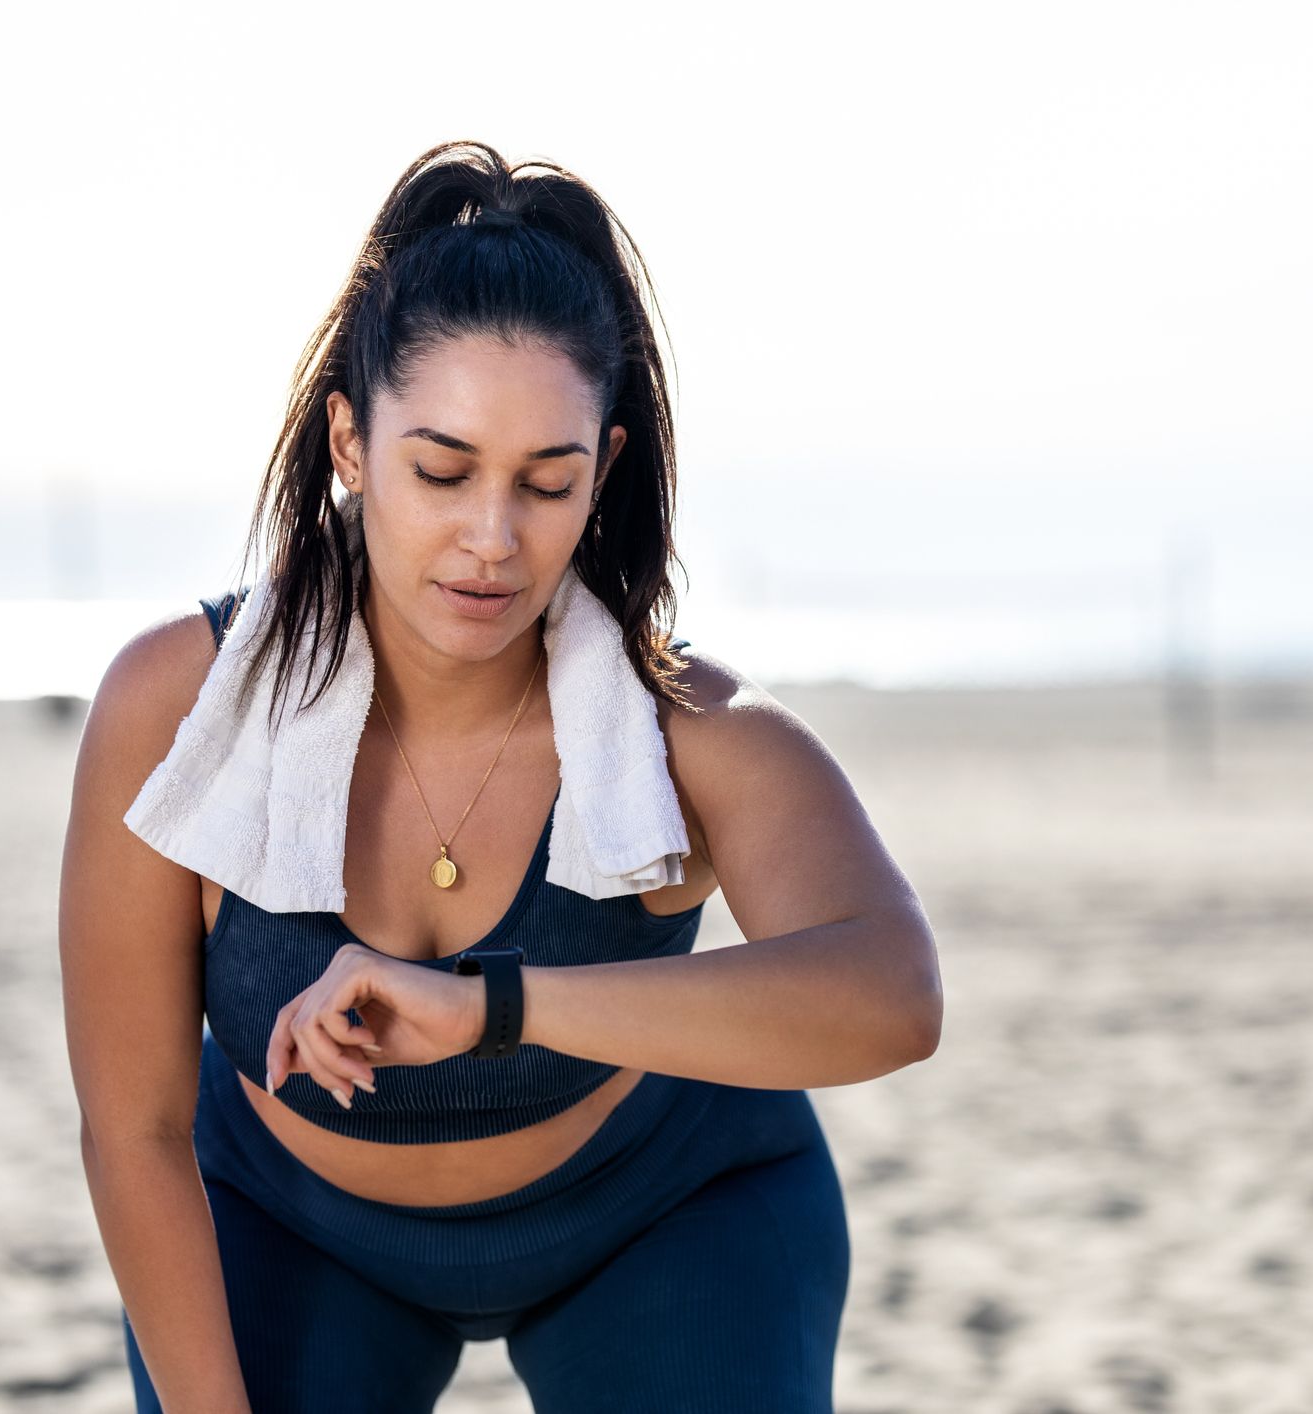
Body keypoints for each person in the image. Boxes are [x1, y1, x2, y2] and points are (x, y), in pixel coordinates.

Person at [58, 139, 942, 1414]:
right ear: (352, 445)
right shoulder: (176, 708)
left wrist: (497, 1006)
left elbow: (894, 995)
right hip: (290, 1225)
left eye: (548, 483)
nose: (492, 538)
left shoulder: (691, 731)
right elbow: (132, 1128)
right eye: (442, 469)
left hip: (670, 1214)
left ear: (606, 472)